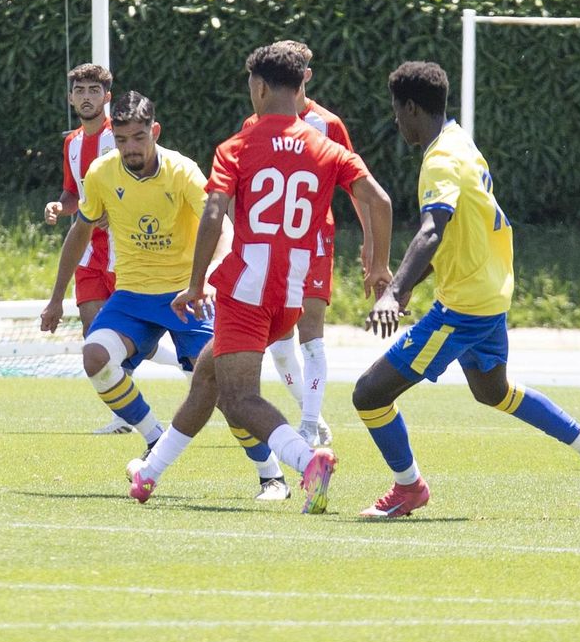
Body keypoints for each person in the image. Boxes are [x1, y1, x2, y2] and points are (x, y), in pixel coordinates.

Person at [357, 61, 580, 517]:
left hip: (463, 308)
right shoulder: (460, 142)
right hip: (490, 292)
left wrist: (394, 292)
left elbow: (432, 230)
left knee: (369, 394)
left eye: (396, 110)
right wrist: (405, 288)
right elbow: (456, 233)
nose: (395, 120)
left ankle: (409, 488)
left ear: (411, 108)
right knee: (492, 390)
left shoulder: (440, 161)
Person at [131, 43, 394, 513]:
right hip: (289, 294)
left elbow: (214, 213)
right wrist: (379, 266)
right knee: (208, 376)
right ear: (299, 86)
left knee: (239, 398)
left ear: (260, 87)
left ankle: (308, 461)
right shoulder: (327, 147)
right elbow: (380, 201)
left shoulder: (238, 145)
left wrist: (196, 284)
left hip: (246, 290)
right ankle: (149, 474)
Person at [40, 91, 291, 499]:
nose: (130, 148)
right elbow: (80, 232)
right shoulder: (102, 174)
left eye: (139, 138)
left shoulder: (182, 171)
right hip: (133, 295)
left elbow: (222, 226)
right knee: (95, 357)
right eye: (122, 140)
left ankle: (271, 475)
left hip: (187, 296)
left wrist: (208, 278)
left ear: (154, 131)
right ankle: (154, 438)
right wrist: (56, 298)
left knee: (227, 391)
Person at [40, 63, 183, 434]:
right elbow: (74, 193)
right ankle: (127, 417)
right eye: (80, 90)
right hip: (89, 252)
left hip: (127, 249)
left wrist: (118, 211)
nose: (86, 97)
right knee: (97, 337)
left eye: (94, 90)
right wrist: (60, 206)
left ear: (107, 97)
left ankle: (182, 366)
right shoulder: (72, 143)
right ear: (70, 99)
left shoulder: (121, 137)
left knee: (131, 334)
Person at [247, 40, 361, 448]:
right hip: (269, 246)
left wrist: (369, 245)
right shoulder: (252, 125)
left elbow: (358, 186)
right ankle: (312, 415)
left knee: (310, 333)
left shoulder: (328, 124)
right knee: (280, 345)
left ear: (306, 75)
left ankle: (309, 425)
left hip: (313, 240)